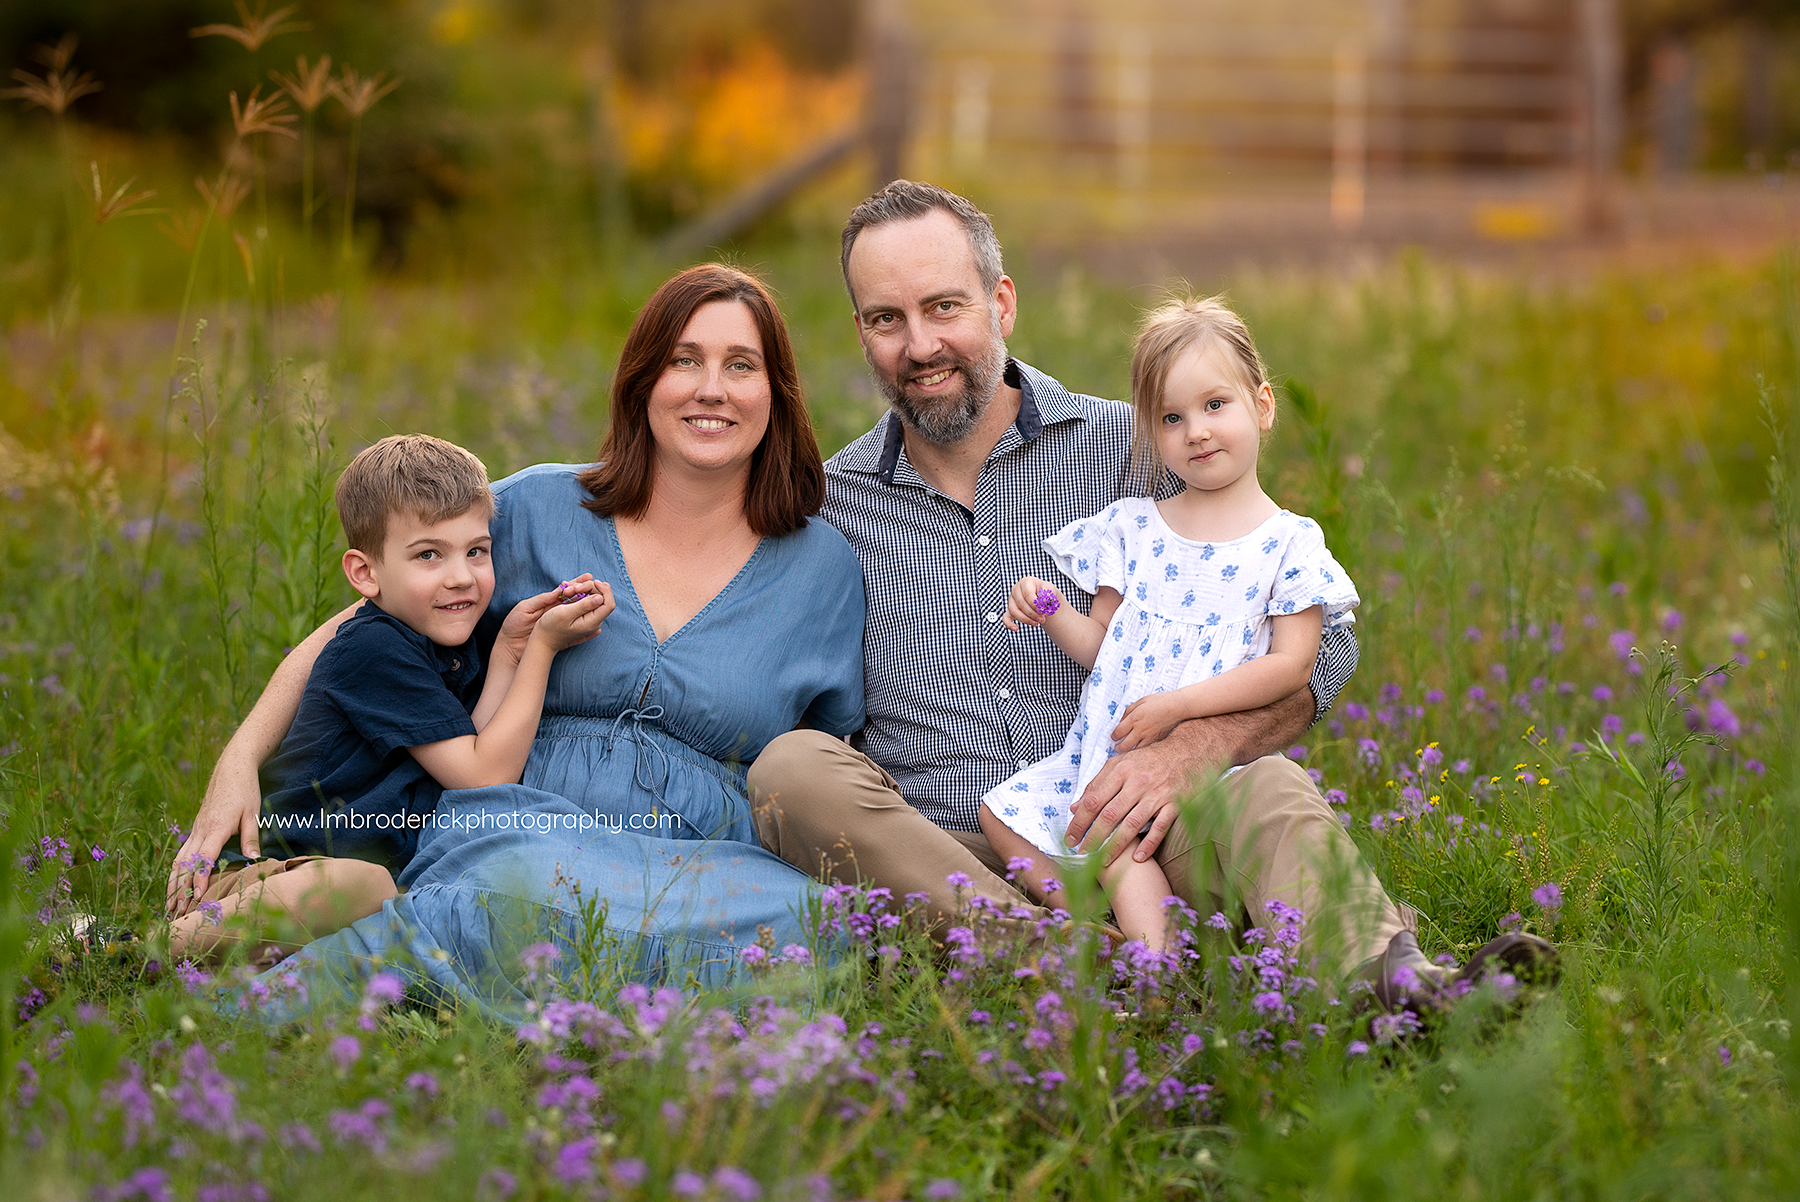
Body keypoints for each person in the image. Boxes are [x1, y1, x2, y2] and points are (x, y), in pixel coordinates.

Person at [749, 180, 1554, 1007]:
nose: (921, 345)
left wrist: (1192, 752)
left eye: (945, 306)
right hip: (950, 860)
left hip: (1145, 844)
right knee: (790, 772)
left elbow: (1324, 643)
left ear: (1002, 302)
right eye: (888, 319)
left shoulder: (1136, 448)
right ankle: (1080, 964)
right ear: (861, 332)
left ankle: (1398, 993)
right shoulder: (831, 503)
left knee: (1268, 788)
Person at [169, 264, 866, 1008]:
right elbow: (354, 628)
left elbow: (831, 756)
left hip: (701, 853)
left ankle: (516, 980)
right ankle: (276, 999)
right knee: (522, 889)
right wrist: (238, 758)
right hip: (522, 818)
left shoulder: (821, 567)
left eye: (741, 365)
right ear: (642, 382)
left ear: (776, 394)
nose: (711, 389)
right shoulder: (537, 504)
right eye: (683, 361)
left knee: (816, 922)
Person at [980, 297, 1361, 951]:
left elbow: (1292, 665)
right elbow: (1105, 649)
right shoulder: (1132, 530)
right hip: (1114, 762)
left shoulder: (1287, 544)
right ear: (1151, 435)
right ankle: (1142, 958)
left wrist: (1178, 708)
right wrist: (1053, 613)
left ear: (1262, 406)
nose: (1197, 431)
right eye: (1172, 418)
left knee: (1140, 841)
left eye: (1216, 405)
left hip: (1215, 776)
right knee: (1004, 813)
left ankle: (1162, 947)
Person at [168, 434, 614, 966]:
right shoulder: (375, 647)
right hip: (272, 875)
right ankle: (130, 955)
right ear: (365, 573)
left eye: (476, 551)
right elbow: (483, 778)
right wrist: (542, 649)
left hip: (344, 885)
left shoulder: (442, 632)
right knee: (362, 886)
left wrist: (510, 653)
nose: (461, 577)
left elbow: (471, 748)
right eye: (429, 555)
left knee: (380, 896)